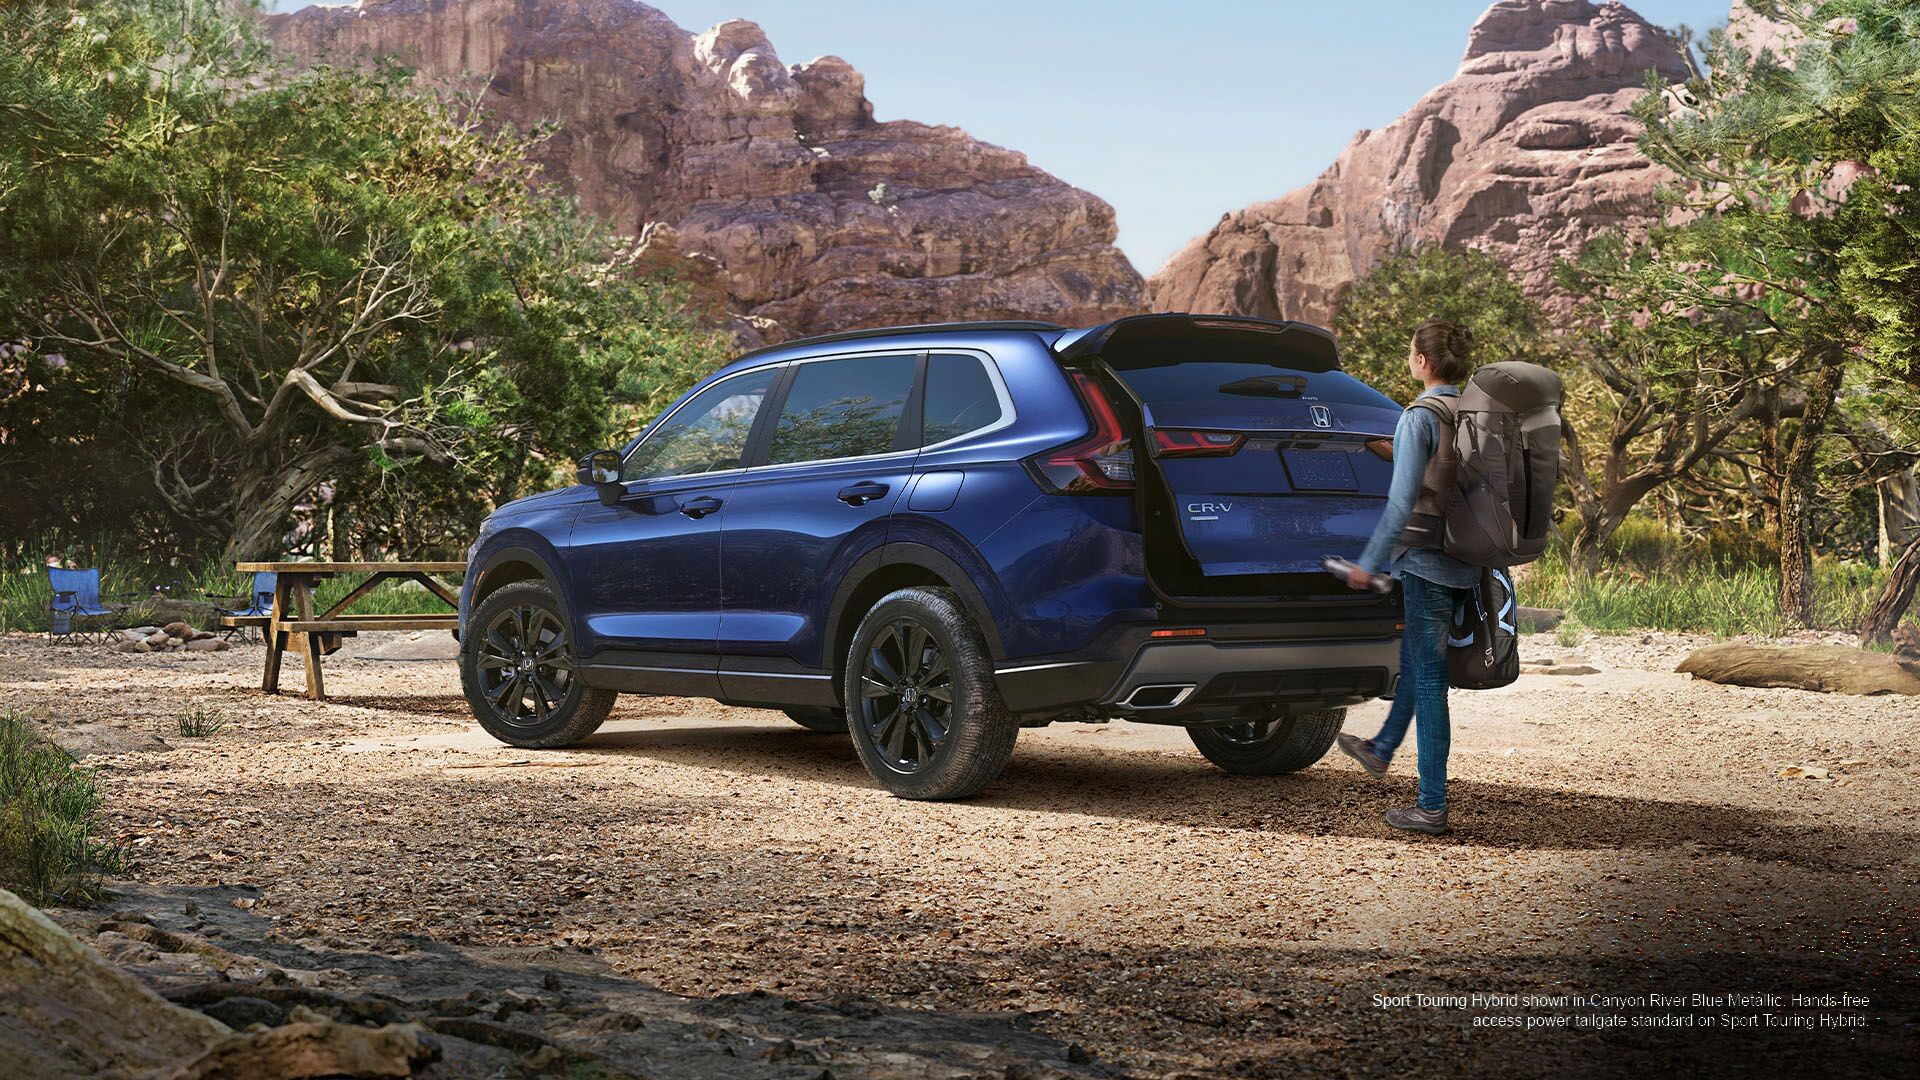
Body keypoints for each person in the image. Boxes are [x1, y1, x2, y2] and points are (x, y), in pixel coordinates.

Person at [1334, 319, 1481, 835]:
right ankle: (1380, 749)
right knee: (1419, 664)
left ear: (1422, 361)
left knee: (1431, 679)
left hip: (1425, 560)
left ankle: (1431, 805)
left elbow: (1400, 504)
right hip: (1469, 559)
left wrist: (1367, 563)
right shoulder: (1476, 413)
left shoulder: (1418, 417)